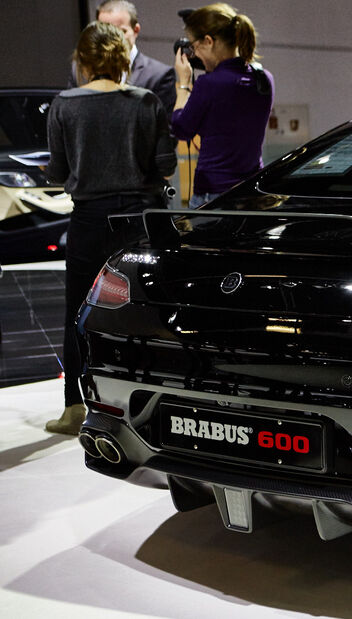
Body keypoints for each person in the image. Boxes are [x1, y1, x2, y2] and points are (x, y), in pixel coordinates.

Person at [45, 21, 176, 434]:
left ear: (82, 61)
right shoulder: (146, 100)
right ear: (123, 60)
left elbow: (59, 170)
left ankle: (74, 408)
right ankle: (156, 403)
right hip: (140, 217)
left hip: (89, 218)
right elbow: (166, 165)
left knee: (79, 313)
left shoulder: (64, 104)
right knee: (149, 312)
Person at [172, 4, 273, 207]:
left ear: (208, 41)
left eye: (194, 46)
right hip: (251, 192)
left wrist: (183, 84)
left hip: (213, 194)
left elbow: (181, 128)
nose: (194, 54)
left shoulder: (209, 84)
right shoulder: (264, 78)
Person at [67, 1, 175, 113]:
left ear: (136, 30)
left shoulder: (159, 75)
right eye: (104, 32)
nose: (112, 39)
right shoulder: (78, 69)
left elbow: (165, 127)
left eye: (120, 31)